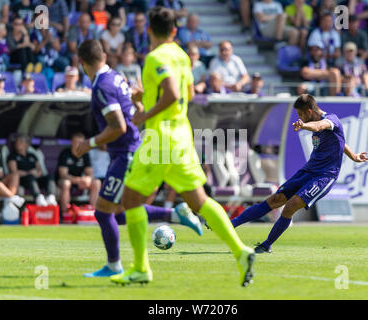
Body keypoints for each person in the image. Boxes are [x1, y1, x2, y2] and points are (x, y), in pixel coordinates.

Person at [103, 6, 255, 286]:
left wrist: (144, 113)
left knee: (130, 200)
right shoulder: (183, 56)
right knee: (199, 201)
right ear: (175, 31)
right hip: (182, 135)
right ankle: (241, 251)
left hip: (160, 137)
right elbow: (186, 93)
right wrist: (145, 96)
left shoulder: (154, 57)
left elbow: (172, 93)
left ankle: (140, 268)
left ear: (149, 30)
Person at [75, 38, 204, 278]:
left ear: (82, 63)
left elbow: (118, 127)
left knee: (103, 212)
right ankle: (175, 215)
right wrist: (137, 104)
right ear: (103, 55)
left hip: (126, 153)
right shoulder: (115, 76)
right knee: (121, 212)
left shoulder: (102, 86)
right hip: (128, 150)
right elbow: (139, 96)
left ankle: (114, 266)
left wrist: (89, 143)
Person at [231, 94, 368, 253]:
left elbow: (319, 126)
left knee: (290, 206)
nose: (299, 117)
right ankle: (230, 224)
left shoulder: (331, 120)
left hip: (324, 176)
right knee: (275, 199)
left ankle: (266, 245)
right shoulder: (322, 125)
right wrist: (354, 156)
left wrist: (303, 126)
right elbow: (340, 141)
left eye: (300, 114)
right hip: (308, 170)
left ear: (309, 111)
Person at [56, 132, 102, 214]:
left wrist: (87, 179)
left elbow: (90, 173)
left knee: (96, 182)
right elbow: (63, 174)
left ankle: (94, 212)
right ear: (72, 142)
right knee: (66, 183)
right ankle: (65, 213)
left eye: (81, 143)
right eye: (76, 142)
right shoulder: (65, 154)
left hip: (79, 181)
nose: (78, 145)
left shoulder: (85, 154)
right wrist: (78, 180)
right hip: (65, 180)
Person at [7, 134, 57, 207]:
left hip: (35, 179)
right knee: (30, 177)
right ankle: (38, 197)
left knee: (50, 176)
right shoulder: (12, 156)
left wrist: (37, 173)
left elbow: (39, 170)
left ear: (26, 145)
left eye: (21, 142)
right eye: (17, 142)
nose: (18, 144)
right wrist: (29, 173)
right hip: (23, 180)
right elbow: (14, 172)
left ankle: (51, 197)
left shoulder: (32, 156)